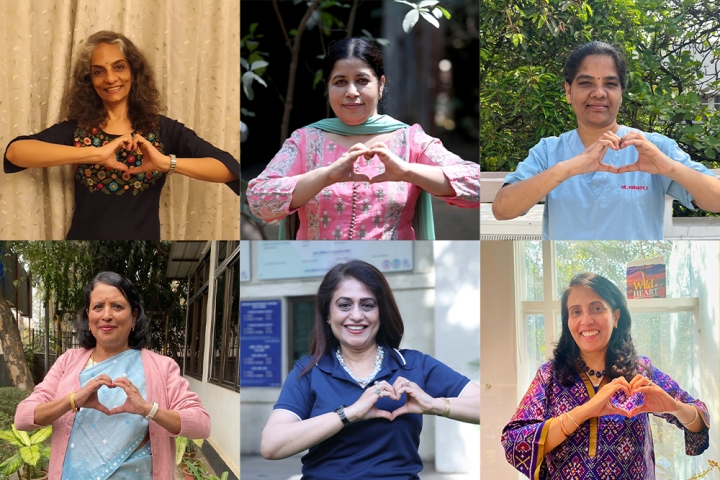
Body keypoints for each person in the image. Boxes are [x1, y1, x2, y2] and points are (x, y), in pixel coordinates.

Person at [3, 30, 240, 240]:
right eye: (98, 71)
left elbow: (228, 168)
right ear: (90, 81)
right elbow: (15, 152)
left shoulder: (163, 130)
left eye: (118, 67)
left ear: (134, 72)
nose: (110, 78)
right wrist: (94, 154)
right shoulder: (77, 130)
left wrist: (165, 163)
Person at [260, 260, 480, 478]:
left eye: (367, 305)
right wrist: (350, 413)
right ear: (327, 315)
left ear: (381, 313)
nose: (356, 315)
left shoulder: (413, 364)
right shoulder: (309, 371)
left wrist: (435, 404)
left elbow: (492, 405)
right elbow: (271, 445)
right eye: (344, 305)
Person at [246, 38, 479, 240]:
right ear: (327, 88)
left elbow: (478, 186)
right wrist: (325, 176)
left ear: (381, 85)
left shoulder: (410, 139)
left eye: (362, 80)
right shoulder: (305, 141)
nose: (351, 91)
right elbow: (258, 202)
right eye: (339, 82)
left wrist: (408, 172)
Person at [492, 41, 720, 240]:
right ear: (568, 91)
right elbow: (503, 210)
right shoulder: (549, 151)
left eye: (610, 84)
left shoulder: (652, 148)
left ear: (622, 92)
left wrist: (671, 168)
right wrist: (566, 169)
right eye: (586, 83)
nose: (599, 93)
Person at [502, 273, 709, 479]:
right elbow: (513, 441)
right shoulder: (550, 376)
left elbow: (700, 419)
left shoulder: (640, 371)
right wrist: (584, 412)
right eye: (575, 312)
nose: (586, 320)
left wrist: (674, 407)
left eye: (597, 308)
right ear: (568, 322)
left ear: (616, 317)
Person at [14, 271, 210, 479]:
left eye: (117, 306)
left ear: (134, 316)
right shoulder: (68, 362)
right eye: (98, 307)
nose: (106, 315)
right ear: (88, 316)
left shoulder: (161, 367)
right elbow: (23, 417)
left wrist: (148, 410)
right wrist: (72, 400)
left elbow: (201, 425)